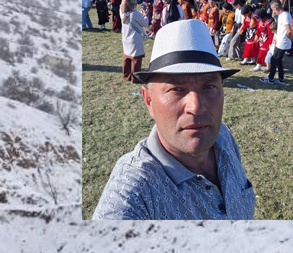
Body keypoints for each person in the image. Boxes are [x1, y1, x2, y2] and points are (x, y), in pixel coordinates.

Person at [92, 19, 255, 220]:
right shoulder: (133, 194)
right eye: (176, 89)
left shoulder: (223, 136)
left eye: (209, 87)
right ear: (149, 100)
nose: (196, 107)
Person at [262, 0, 293, 85]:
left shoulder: (284, 16)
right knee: (278, 61)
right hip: (281, 41)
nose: (273, 11)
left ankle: (271, 78)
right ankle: (281, 79)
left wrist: (288, 39)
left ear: (276, 8)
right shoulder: (285, 15)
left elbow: (289, 30)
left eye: (273, 9)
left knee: (273, 59)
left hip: (282, 43)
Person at [120, 0, 148, 83]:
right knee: (136, 59)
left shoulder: (122, 13)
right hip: (135, 39)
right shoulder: (135, 13)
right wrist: (145, 16)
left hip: (125, 38)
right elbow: (144, 23)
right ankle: (135, 79)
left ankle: (126, 76)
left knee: (126, 58)